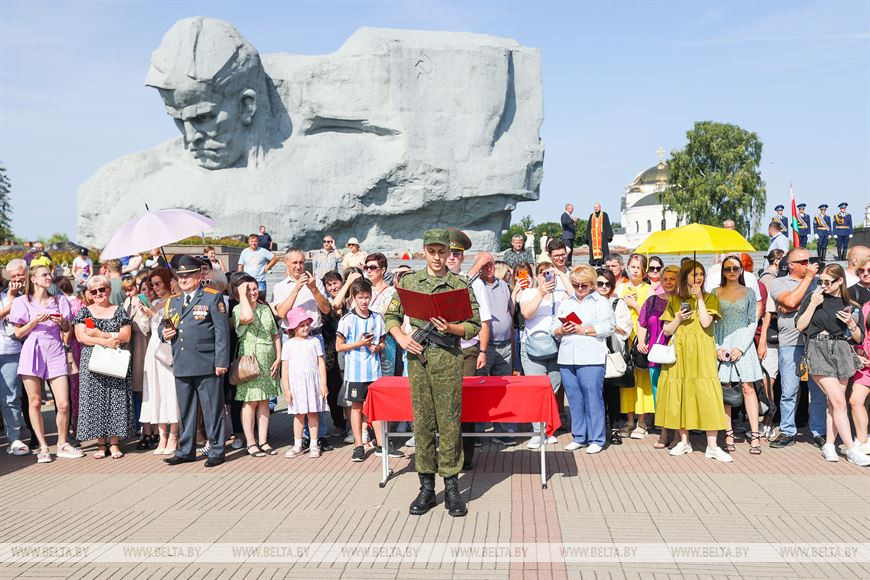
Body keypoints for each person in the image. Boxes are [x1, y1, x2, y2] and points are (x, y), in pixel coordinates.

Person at [384, 228, 481, 518]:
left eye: (443, 252)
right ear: (424, 251)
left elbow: (474, 325)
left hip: (449, 359)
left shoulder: (460, 284)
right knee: (423, 424)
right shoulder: (410, 282)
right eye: (432, 252)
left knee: (450, 424)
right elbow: (390, 315)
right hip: (419, 360)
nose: (438, 258)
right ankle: (426, 488)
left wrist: (450, 328)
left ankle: (452, 487)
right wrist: (401, 337)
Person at [656, 261, 732, 463]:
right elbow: (666, 331)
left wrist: (699, 298)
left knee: (708, 395)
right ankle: (683, 440)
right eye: (693, 275)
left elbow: (707, 322)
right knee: (682, 394)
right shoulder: (674, 300)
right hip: (681, 351)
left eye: (701, 274)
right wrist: (679, 318)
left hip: (703, 351)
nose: (698, 278)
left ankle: (713, 446)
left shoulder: (711, 297)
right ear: (685, 277)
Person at [795, 264, 868, 465]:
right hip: (818, 349)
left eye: (828, 282)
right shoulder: (814, 298)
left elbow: (858, 336)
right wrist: (812, 304)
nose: (824, 285)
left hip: (842, 350)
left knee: (834, 403)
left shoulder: (851, 304)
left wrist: (851, 324)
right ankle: (852, 449)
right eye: (821, 281)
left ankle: (829, 444)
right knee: (838, 401)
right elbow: (800, 325)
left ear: (840, 281)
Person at [161, 256, 230, 468]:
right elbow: (164, 328)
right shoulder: (173, 301)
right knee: (186, 410)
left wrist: (221, 362)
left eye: (188, 275)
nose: (183, 279)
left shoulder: (212, 297)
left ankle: (217, 449)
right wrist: (164, 332)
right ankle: (186, 450)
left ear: (199, 275)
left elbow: (222, 333)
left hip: (207, 362)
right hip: (182, 362)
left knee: (212, 410)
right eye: (180, 275)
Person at [8, 264, 80, 463]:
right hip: (33, 349)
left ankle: (63, 443)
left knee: (64, 404)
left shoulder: (59, 300)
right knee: (35, 401)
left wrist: (61, 323)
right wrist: (34, 322)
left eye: (50, 274)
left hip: (55, 350)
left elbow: (68, 328)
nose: (49, 277)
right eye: (44, 274)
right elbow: (18, 333)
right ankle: (42, 446)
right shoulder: (22, 301)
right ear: (34, 279)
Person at [271, 248, 333, 449]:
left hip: (314, 335)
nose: (299, 267)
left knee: (316, 385)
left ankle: (319, 435)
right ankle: (302, 436)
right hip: (290, 338)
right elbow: (281, 313)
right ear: (286, 264)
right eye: (294, 263)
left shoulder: (315, 283)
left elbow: (326, 309)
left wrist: (314, 289)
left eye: (301, 262)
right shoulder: (281, 287)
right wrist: (296, 289)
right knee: (297, 385)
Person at [552, 265, 615, 453]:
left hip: (591, 356)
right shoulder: (566, 302)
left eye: (584, 285)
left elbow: (609, 326)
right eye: (576, 285)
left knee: (593, 398)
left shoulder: (600, 302)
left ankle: (597, 438)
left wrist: (585, 330)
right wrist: (561, 330)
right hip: (567, 356)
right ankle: (579, 436)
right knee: (574, 399)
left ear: (592, 284)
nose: (580, 289)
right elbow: (554, 326)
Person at [768, 248, 826, 449]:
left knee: (818, 391)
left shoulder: (820, 281)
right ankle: (787, 431)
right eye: (802, 261)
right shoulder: (779, 282)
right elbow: (790, 301)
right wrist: (807, 281)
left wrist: (791, 306)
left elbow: (821, 305)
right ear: (790, 264)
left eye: (809, 260)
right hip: (791, 342)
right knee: (789, 390)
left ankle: (819, 431)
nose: (807, 264)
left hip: (817, 342)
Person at [74, 275, 136, 459]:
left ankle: (115, 443)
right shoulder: (85, 313)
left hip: (115, 360)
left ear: (109, 290)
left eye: (102, 289)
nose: (99, 294)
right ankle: (101, 444)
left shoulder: (119, 311)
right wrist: (108, 340)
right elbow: (82, 337)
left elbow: (125, 336)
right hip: (92, 361)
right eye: (94, 291)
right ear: (89, 294)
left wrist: (101, 335)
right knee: (95, 400)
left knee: (116, 398)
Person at [447, 229, 492, 470]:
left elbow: (484, 320)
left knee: (466, 405)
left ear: (463, 257)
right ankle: (446, 452)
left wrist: (482, 351)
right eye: (449, 252)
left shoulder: (474, 284)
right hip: (439, 351)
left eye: (457, 253)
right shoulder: (433, 281)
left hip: (466, 351)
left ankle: (466, 455)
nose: (452, 257)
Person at [713, 256, 764, 456]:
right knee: (725, 388)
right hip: (722, 339)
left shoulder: (749, 292)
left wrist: (741, 347)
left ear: (742, 270)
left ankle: (755, 434)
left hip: (744, 342)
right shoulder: (714, 293)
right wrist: (717, 347)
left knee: (748, 387)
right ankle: (728, 433)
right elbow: (712, 322)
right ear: (722, 271)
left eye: (735, 268)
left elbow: (753, 321)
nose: (731, 271)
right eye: (727, 268)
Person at [337, 278, 389, 461]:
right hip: (355, 373)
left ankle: (381, 444)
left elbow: (382, 342)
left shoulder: (377, 318)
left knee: (377, 409)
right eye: (360, 297)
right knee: (357, 409)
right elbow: (339, 346)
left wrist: (377, 347)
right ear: (354, 298)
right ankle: (358, 445)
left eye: (367, 297)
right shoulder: (347, 320)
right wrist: (359, 343)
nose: (364, 301)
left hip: (374, 372)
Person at [230, 274, 281, 457]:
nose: (252, 292)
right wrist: (242, 295)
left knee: (265, 401)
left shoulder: (265, 308)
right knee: (250, 401)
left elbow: (275, 334)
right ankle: (250, 442)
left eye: (254, 288)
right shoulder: (237, 309)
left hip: (268, 360)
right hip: (250, 362)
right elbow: (247, 317)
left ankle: (263, 441)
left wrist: (278, 358)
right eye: (248, 289)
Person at [518, 261, 565, 449]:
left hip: (554, 345)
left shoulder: (559, 294)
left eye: (549, 273)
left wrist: (561, 275)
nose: (546, 276)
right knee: (536, 389)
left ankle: (548, 429)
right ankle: (538, 432)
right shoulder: (529, 292)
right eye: (542, 273)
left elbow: (574, 296)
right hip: (532, 346)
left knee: (552, 388)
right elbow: (527, 314)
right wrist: (541, 292)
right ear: (536, 276)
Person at [637, 265, 679, 447]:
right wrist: (640, 341)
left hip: (677, 354)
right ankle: (664, 431)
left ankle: (678, 433)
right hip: (656, 353)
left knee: (676, 395)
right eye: (665, 279)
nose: (669, 282)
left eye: (673, 278)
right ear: (660, 281)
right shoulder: (652, 301)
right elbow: (642, 322)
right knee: (658, 394)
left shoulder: (683, 301)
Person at [477, 253, 516, 445]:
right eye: (485, 265)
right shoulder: (475, 285)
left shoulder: (504, 285)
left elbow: (509, 312)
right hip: (484, 346)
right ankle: (477, 433)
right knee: (480, 390)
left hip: (505, 345)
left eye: (491, 264)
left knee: (503, 391)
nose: (489, 268)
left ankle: (502, 432)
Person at [139, 268, 179, 455]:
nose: (154, 288)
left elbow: (172, 326)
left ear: (167, 282)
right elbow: (145, 328)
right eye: (151, 284)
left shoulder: (175, 301)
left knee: (170, 391)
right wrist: (144, 314)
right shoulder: (154, 302)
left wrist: (154, 314)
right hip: (153, 348)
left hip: (168, 348)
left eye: (157, 283)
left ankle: (173, 435)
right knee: (156, 391)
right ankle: (161, 435)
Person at [282, 307, 329, 458]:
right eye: (301, 325)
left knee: (313, 413)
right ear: (293, 327)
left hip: (313, 383)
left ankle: (314, 443)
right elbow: (285, 368)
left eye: (307, 324)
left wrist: (323, 384)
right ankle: (297, 443)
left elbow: (321, 363)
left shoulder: (314, 341)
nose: (305, 328)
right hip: (297, 384)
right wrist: (286, 389)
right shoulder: (289, 344)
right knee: (299, 414)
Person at [617, 253, 654, 439]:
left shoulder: (650, 290)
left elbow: (651, 318)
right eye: (632, 266)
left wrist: (635, 305)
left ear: (644, 271)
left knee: (642, 381)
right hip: (625, 339)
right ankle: (629, 419)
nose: (635, 270)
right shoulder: (621, 288)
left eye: (639, 267)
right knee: (627, 381)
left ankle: (642, 421)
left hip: (642, 339)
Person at [0, 259, 28, 455]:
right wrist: (10, 297)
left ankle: (14, 439)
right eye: (13, 277)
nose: (17, 280)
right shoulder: (5, 296)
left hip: (12, 351)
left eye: (21, 275)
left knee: (11, 397)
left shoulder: (29, 297)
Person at [122, 277, 154, 449]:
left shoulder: (159, 304)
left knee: (154, 392)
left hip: (152, 350)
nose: (147, 291)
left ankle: (156, 432)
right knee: (142, 393)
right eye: (143, 288)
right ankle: (146, 431)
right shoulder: (129, 304)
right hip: (136, 351)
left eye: (151, 287)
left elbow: (146, 328)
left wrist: (146, 312)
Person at [364, 253, 398, 378]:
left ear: (383, 270)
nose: (369, 271)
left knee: (385, 381)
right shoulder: (363, 290)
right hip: (364, 342)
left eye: (373, 267)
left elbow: (394, 318)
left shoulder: (392, 292)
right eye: (366, 268)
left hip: (385, 342)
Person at [850, 287, 870, 454]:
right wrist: (858, 353)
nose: (866, 275)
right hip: (866, 363)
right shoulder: (866, 306)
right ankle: (862, 442)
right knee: (856, 400)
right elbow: (861, 334)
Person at [584, 203, 613, 267]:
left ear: (600, 207)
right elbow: (589, 226)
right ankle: (594, 261)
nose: (596, 208)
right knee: (593, 249)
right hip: (593, 236)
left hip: (602, 235)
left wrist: (609, 235)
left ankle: (604, 261)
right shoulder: (592, 215)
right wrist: (587, 237)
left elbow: (607, 225)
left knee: (604, 249)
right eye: (595, 207)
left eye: (597, 207)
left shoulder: (604, 215)